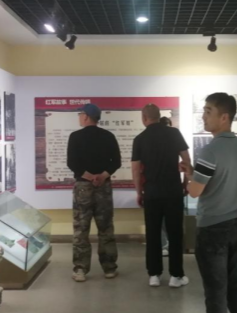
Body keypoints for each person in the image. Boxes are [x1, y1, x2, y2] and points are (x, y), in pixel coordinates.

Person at [185, 93, 237, 313]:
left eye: (208, 111)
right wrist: (194, 172)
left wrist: (189, 178)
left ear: (224, 117)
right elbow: (215, 180)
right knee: (235, 284)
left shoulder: (209, 151)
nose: (204, 116)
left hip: (213, 228)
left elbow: (195, 191)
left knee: (215, 289)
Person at [131, 105, 191, 288]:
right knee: (175, 233)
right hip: (173, 191)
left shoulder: (140, 139)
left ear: (144, 118)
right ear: (159, 116)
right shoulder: (174, 133)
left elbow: (135, 169)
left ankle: (154, 275)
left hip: (151, 192)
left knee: (153, 233)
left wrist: (139, 191)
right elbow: (186, 160)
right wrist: (185, 183)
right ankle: (176, 276)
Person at [66, 104, 121, 283]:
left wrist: (89, 177)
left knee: (81, 229)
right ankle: (109, 267)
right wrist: (102, 176)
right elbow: (116, 161)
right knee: (105, 227)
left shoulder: (75, 137)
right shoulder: (108, 136)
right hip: (104, 187)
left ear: (86, 117)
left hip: (83, 187)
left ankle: (80, 269)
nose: (79, 117)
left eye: (80, 114)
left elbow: (72, 163)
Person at [159, 116, 175, 255]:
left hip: (170, 187)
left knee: (168, 220)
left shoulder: (174, 140)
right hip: (162, 187)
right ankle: (164, 245)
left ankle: (167, 245)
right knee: (162, 220)